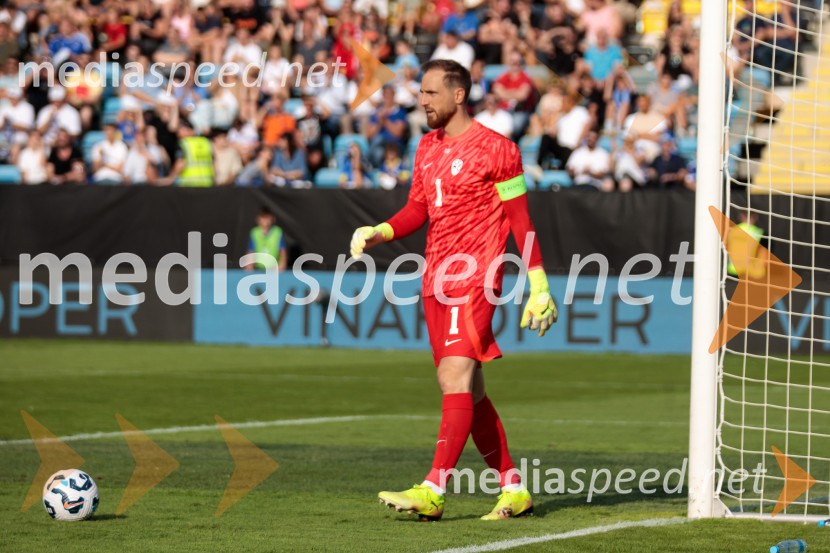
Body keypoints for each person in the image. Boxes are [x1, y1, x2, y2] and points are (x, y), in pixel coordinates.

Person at [350, 59, 556, 521]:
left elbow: (520, 221)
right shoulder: (426, 146)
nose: (422, 100)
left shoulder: (498, 150)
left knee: (453, 379)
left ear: (458, 95)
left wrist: (538, 284)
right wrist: (380, 231)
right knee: (471, 392)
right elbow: (416, 209)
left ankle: (433, 489)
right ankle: (513, 488)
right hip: (435, 281)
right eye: (420, 93)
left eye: (430, 93)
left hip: (475, 278)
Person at [246, 207, 288, 271]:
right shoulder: (254, 232)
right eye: (263, 218)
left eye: (267, 218)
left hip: (275, 269)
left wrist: (282, 265)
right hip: (258, 269)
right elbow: (251, 250)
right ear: (258, 219)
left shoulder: (278, 232)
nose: (265, 220)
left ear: (273, 219)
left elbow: (282, 251)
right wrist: (249, 265)